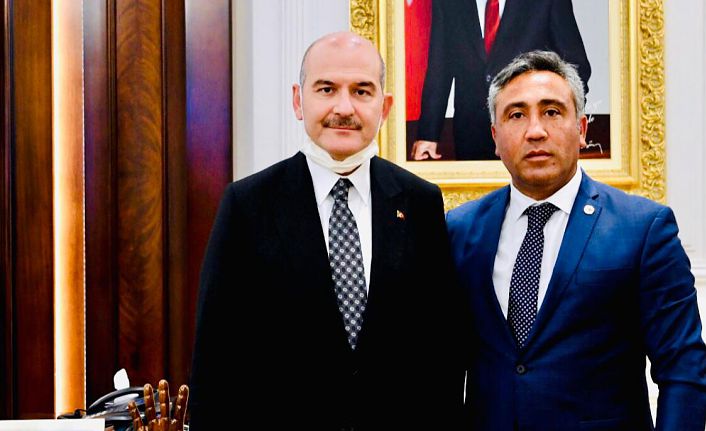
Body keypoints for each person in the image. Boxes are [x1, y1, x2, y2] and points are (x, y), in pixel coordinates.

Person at [189, 31, 464, 430]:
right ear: (298, 101)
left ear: (385, 107)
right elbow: (216, 362)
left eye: (362, 91)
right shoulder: (247, 206)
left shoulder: (420, 203)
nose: (344, 107)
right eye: (326, 89)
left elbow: (443, 352)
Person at [447, 50, 706, 430]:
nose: (535, 131)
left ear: (582, 129)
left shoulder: (643, 228)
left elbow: (683, 368)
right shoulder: (460, 229)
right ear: (495, 137)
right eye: (516, 115)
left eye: (552, 112)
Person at [411, 0, 591, 161]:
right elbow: (439, 66)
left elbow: (575, 67)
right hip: (471, 136)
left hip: (532, 133)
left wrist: (568, 124)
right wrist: (428, 135)